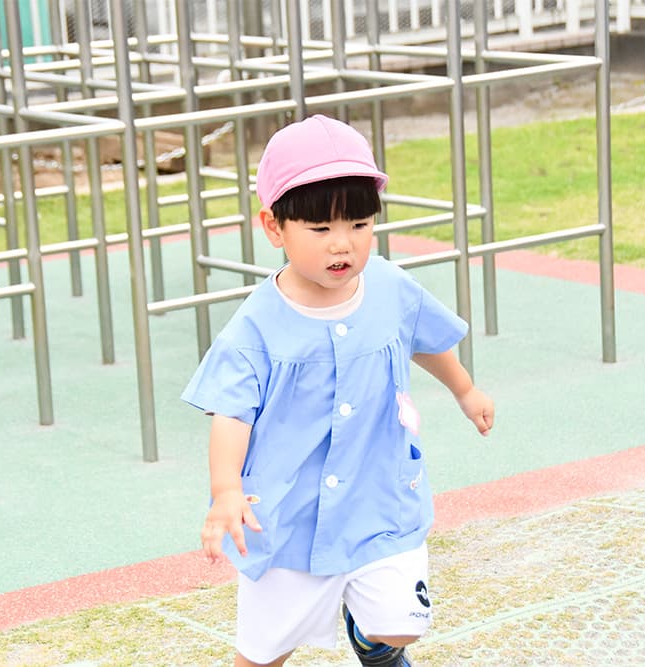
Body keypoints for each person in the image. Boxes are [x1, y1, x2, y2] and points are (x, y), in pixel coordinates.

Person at [182, 114, 494, 667]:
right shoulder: (256, 327)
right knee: (264, 655)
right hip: (288, 518)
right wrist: (226, 489)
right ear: (274, 227)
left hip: (378, 500)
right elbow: (231, 413)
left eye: (359, 224)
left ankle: (372, 641)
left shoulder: (390, 287)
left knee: (401, 626)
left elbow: (423, 339)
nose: (342, 244)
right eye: (321, 229)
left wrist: (465, 391)